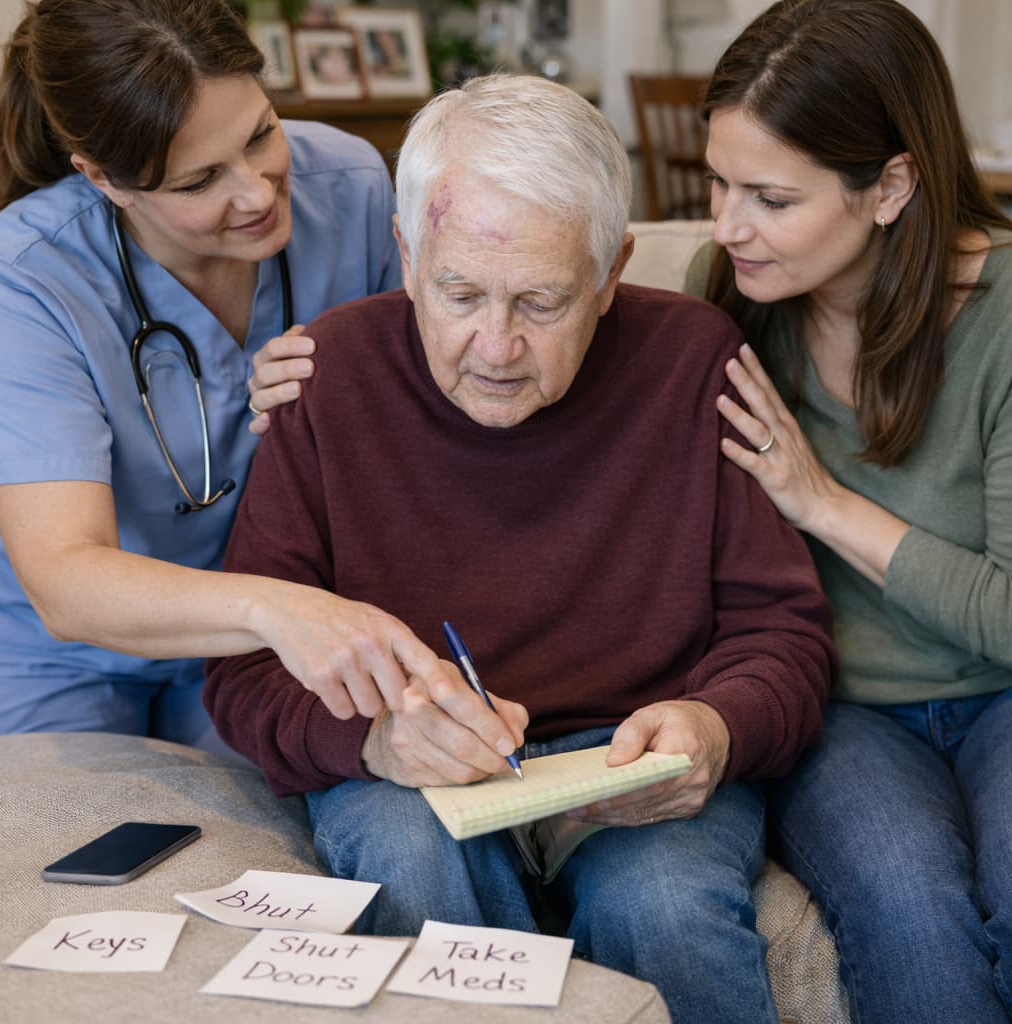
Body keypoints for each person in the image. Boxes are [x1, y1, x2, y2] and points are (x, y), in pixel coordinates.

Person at [205, 72, 837, 1023]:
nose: (494, 346)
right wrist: (373, 739)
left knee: (662, 906)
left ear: (613, 272)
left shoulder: (695, 361)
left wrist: (716, 727)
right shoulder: (326, 380)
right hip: (409, 768)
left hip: (628, 759)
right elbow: (244, 669)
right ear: (408, 258)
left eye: (542, 303)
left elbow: (784, 632)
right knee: (412, 870)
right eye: (460, 293)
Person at [685, 1, 1012, 1020]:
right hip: (840, 710)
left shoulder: (1001, 322)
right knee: (911, 912)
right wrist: (337, 364)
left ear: (891, 187)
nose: (726, 226)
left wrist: (819, 503)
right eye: (717, 183)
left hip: (1002, 689)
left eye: (770, 197)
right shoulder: (730, 298)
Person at [0, 0, 402, 749]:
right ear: (103, 178)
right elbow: (64, 581)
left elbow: (422, 437)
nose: (256, 192)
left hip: (260, 638)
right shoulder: (24, 279)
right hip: (60, 657)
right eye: (199, 180)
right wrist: (276, 610)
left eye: (262, 134)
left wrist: (349, 395)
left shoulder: (353, 188)